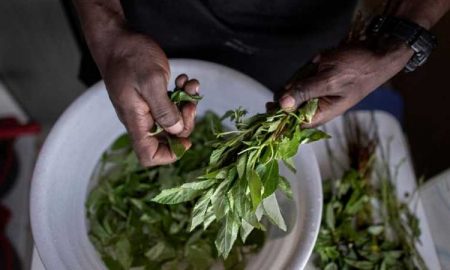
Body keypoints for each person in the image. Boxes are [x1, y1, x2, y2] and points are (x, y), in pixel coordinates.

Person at [73, 0, 449, 167]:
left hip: (303, 23)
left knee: (275, 108)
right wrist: (108, 33)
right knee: (135, 105)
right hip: (150, 14)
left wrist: (399, 45)